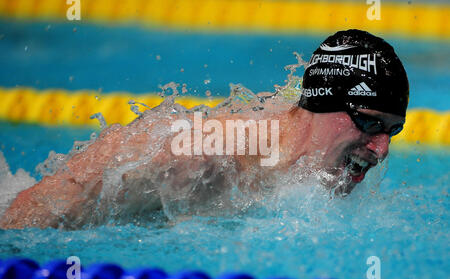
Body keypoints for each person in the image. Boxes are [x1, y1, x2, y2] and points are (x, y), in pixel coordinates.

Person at [0, 29, 409, 230]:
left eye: (393, 130)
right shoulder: (197, 156)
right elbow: (21, 221)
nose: (381, 147)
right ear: (321, 102)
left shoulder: (310, 169)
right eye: (370, 122)